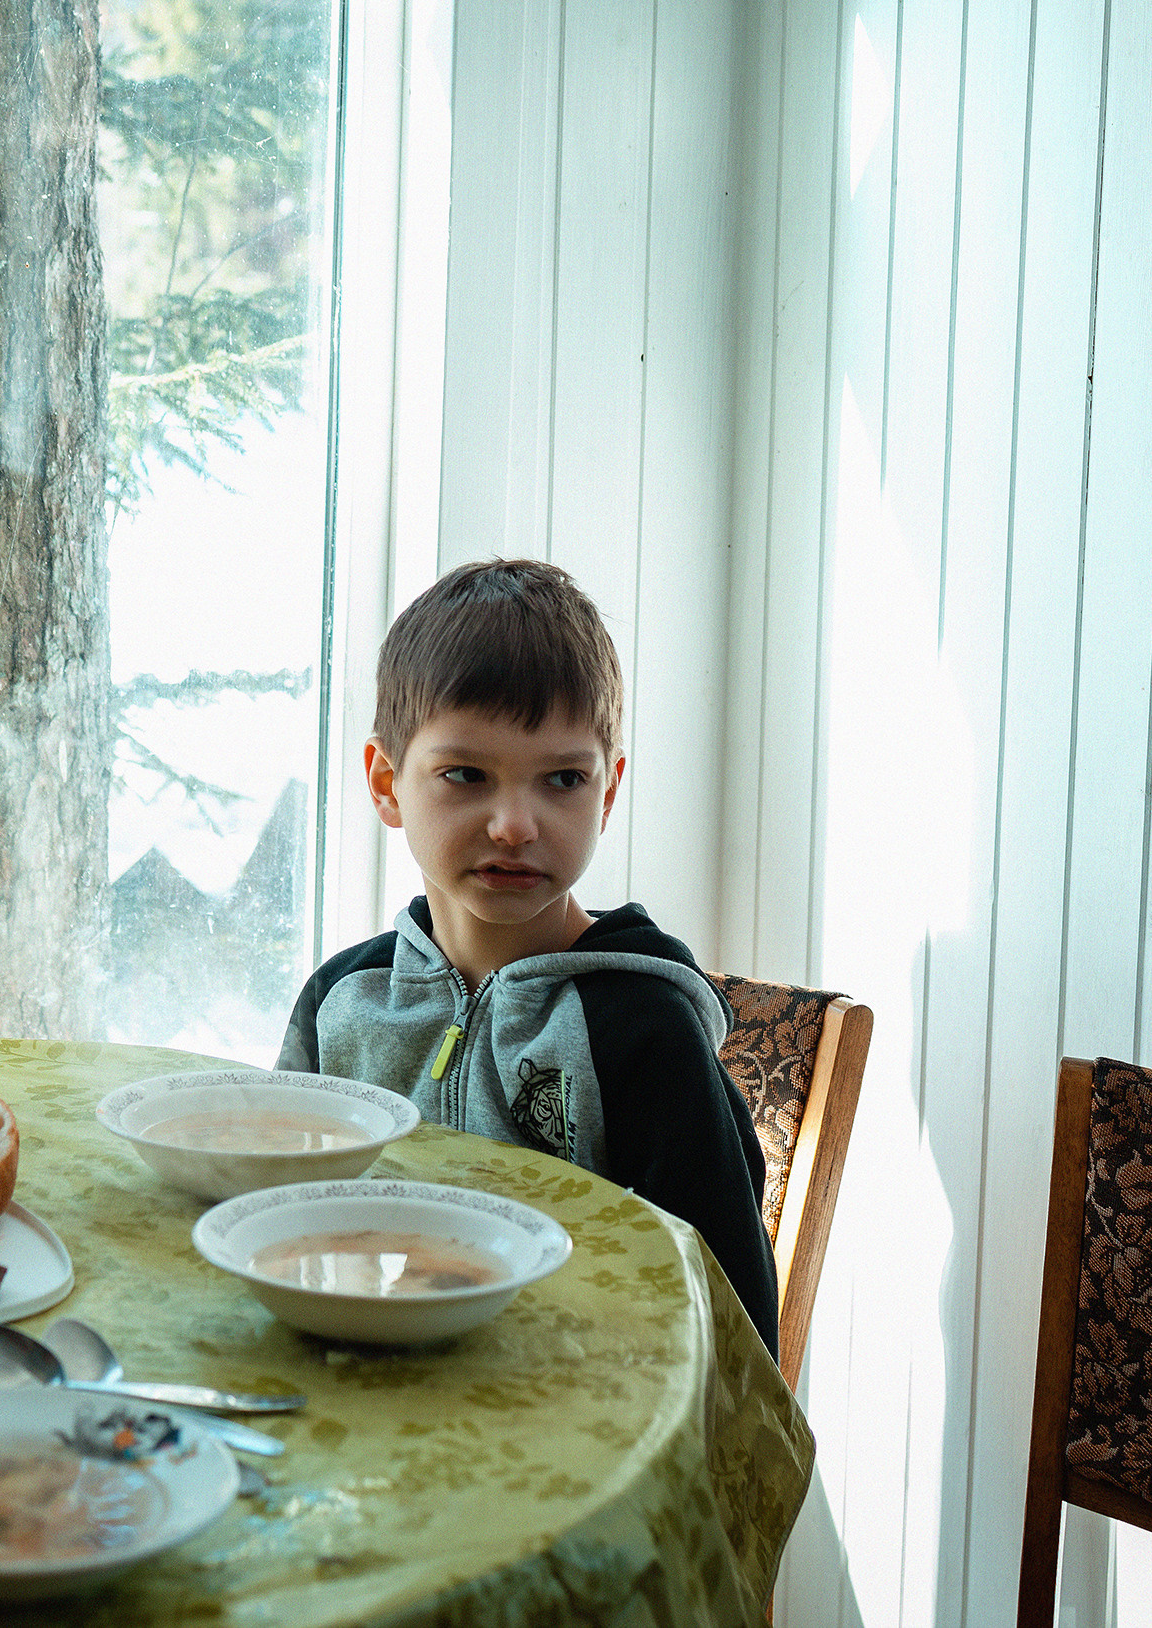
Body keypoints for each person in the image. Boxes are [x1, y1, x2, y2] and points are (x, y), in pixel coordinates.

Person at [277, 558, 782, 1353]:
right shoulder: (341, 1001)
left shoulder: (644, 1030)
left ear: (607, 792)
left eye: (562, 778)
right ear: (386, 782)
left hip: (581, 1428)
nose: (515, 822)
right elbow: (271, 1221)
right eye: (466, 773)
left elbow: (734, 1325)